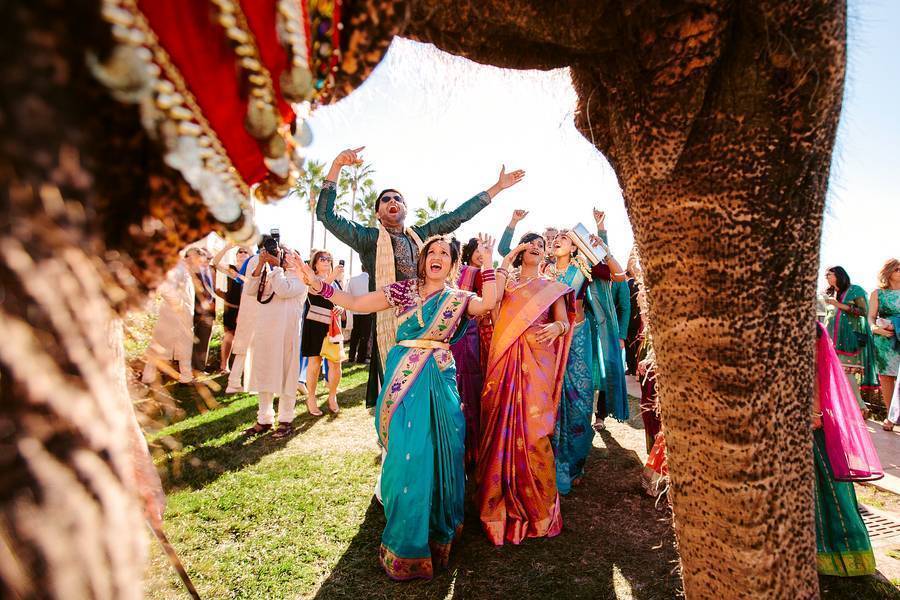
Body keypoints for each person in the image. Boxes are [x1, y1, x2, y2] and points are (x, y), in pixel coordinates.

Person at [298, 235, 499, 581]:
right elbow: (358, 303)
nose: (437, 256)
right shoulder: (404, 291)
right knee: (409, 452)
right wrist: (319, 286)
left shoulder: (459, 298)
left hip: (439, 379)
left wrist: (490, 263)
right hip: (404, 377)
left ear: (452, 263)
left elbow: (489, 303)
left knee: (444, 450)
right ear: (422, 260)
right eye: (431, 252)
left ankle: (436, 533)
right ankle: (406, 541)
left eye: (444, 253)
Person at [316, 147, 524, 409]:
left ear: (405, 208)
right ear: (378, 213)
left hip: (429, 326)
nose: (392, 201)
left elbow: (457, 217)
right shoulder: (369, 239)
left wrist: (497, 188)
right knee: (395, 403)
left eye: (397, 198)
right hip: (390, 328)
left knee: (431, 403)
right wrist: (336, 166)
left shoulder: (421, 235)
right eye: (385, 200)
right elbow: (326, 216)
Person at [477, 233, 574, 545]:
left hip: (538, 362)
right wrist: (507, 258)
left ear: (545, 255)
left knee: (535, 433)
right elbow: (491, 303)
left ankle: (540, 509)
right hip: (505, 361)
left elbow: (564, 322)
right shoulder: (508, 282)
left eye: (540, 245)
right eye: (529, 243)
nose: (535, 247)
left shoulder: (552, 287)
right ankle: (499, 503)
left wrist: (556, 327)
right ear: (520, 250)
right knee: (500, 428)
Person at [546, 228, 620, 494]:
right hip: (552, 342)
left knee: (580, 400)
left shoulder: (583, 268)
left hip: (577, 338)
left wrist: (604, 249)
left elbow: (619, 276)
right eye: (556, 237)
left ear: (575, 247)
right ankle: (552, 463)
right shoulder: (544, 270)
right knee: (552, 400)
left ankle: (575, 464)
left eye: (564, 238)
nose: (558, 240)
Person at [812, 322, 877, 577]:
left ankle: (841, 557)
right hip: (802, 421)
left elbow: (816, 372)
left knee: (829, 490)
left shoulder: (809, 331)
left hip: (814, 424)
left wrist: (814, 412)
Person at [242, 248, 308, 438]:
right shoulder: (270, 273)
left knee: (287, 376)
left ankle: (286, 420)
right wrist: (261, 264)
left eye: (289, 254)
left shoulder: (301, 278)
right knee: (265, 374)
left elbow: (284, 290)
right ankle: (264, 419)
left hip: (287, 335)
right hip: (266, 333)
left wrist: (276, 267)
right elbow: (250, 290)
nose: (285, 257)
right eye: (283, 253)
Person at [450, 235, 492, 473]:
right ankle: (463, 448)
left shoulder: (482, 273)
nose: (480, 254)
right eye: (477, 249)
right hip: (461, 334)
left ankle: (472, 448)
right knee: (462, 382)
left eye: (484, 251)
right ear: (468, 252)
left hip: (477, 334)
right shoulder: (463, 272)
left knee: (473, 384)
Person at [588, 209, 630, 429]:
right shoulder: (591, 276)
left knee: (607, 373)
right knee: (590, 372)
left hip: (610, 333)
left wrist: (621, 335)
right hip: (589, 330)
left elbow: (625, 307)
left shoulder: (616, 277)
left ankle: (601, 416)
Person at [822, 266, 878, 415]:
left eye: (830, 274)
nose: (827, 277)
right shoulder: (831, 293)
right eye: (826, 275)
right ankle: (840, 408)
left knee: (847, 372)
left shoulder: (855, 290)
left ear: (839, 275)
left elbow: (864, 311)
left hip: (849, 340)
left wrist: (839, 305)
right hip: (831, 340)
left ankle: (861, 408)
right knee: (833, 373)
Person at [141, 253, 198, 384]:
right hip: (171, 314)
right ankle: (148, 377)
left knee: (184, 346)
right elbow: (165, 288)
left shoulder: (186, 270)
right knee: (159, 345)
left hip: (185, 316)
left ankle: (186, 376)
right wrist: (178, 304)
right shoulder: (176, 269)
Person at [301, 249, 345, 416]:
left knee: (335, 363)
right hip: (315, 323)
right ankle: (311, 398)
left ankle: (332, 396)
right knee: (315, 362)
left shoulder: (336, 282)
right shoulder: (310, 277)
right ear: (315, 263)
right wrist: (333, 276)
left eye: (328, 259)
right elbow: (316, 289)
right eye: (322, 259)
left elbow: (342, 300)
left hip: (332, 325)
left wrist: (341, 308)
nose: (326, 261)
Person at [225, 244, 263, 393]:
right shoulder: (256, 262)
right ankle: (235, 382)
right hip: (252, 311)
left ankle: (235, 381)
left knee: (245, 348)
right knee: (246, 347)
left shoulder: (250, 263)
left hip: (248, 311)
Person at [210, 243, 251, 373]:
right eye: (240, 252)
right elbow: (215, 262)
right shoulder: (231, 270)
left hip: (247, 307)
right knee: (229, 335)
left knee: (247, 337)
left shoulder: (251, 270)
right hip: (232, 307)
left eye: (245, 252)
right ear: (236, 255)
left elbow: (255, 257)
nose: (243, 253)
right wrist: (227, 248)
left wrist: (247, 246)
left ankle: (243, 367)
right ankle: (224, 365)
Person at [871, 258, 900, 429]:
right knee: (886, 377)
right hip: (884, 340)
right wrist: (875, 328)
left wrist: (895, 325)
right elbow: (871, 317)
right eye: (897, 269)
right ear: (888, 272)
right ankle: (890, 417)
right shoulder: (878, 293)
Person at [188, 248, 216, 373]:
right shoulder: (192, 272)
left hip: (209, 312)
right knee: (192, 340)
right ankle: (188, 369)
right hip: (195, 309)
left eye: (208, 258)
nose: (207, 260)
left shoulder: (210, 270)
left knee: (204, 341)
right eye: (205, 258)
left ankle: (199, 368)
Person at [346, 271, 372, 363]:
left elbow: (348, 294)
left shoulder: (352, 280)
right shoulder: (370, 280)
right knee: (365, 336)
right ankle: (361, 358)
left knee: (355, 334)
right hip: (367, 310)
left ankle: (351, 356)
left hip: (355, 310)